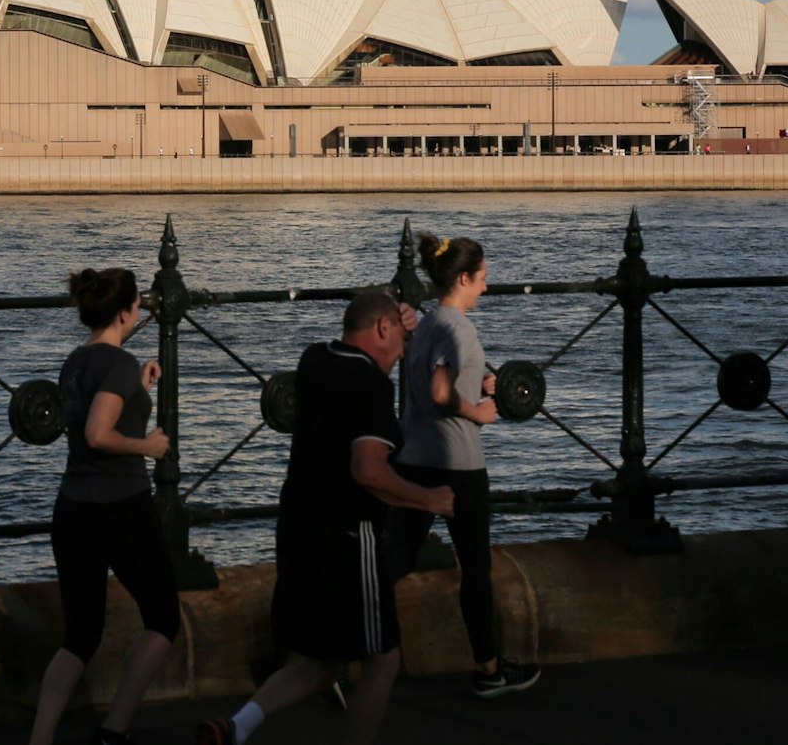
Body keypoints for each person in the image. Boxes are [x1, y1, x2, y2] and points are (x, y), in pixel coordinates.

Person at [197, 290, 453, 745]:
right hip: (348, 539)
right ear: (383, 328)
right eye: (399, 339)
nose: (402, 351)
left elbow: (369, 321)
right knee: (382, 659)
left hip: (297, 529)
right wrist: (429, 499)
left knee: (318, 662)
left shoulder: (314, 359)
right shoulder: (371, 385)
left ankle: (237, 727)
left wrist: (399, 322)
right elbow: (368, 471)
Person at [383, 234, 540, 699]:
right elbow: (440, 391)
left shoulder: (427, 324)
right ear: (464, 278)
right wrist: (479, 411)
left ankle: (329, 651)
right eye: (483, 279)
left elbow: (433, 380)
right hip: (457, 464)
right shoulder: (459, 328)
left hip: (414, 457)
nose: (486, 288)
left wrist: (480, 382)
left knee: (392, 562)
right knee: (475, 569)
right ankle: (488, 669)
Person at [29, 268, 179, 745]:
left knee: (81, 635)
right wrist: (149, 446)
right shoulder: (118, 363)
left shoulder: (76, 362)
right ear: (124, 312)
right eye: (138, 304)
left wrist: (137, 387)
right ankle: (113, 731)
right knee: (163, 617)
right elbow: (99, 433)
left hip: (73, 510)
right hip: (121, 507)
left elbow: (98, 414)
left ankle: (40, 739)